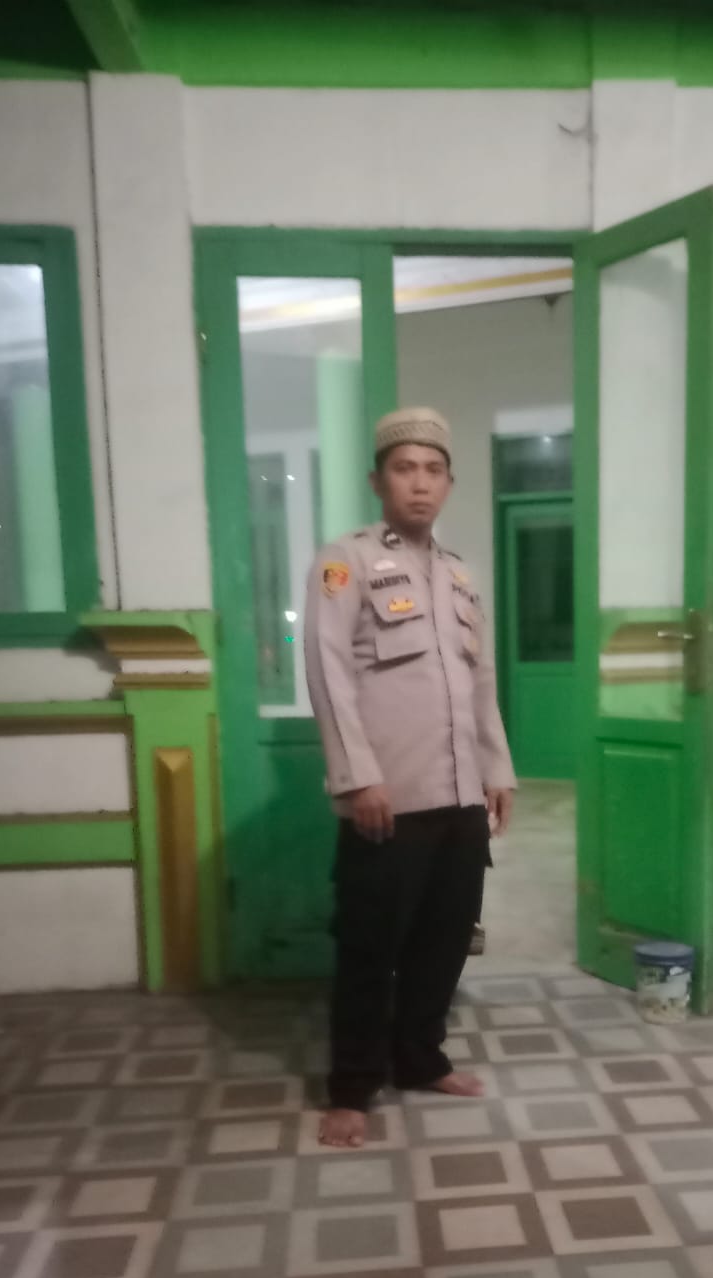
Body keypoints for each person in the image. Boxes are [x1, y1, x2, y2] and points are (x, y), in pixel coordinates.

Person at [304, 407, 517, 1148]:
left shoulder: (459, 574)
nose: (419, 484)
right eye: (404, 469)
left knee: (445, 940)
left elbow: (480, 680)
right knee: (370, 947)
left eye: (432, 470)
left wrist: (497, 768)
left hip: (459, 797)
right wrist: (356, 777)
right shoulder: (347, 562)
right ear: (378, 481)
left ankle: (421, 1058)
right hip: (386, 798)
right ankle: (352, 1087)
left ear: (449, 483)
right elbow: (328, 671)